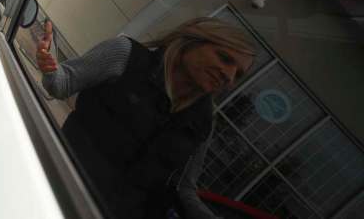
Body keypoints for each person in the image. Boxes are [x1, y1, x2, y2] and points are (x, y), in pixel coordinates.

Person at [35, 17, 256, 219]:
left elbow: (184, 188)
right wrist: (50, 69)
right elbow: (62, 85)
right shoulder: (125, 55)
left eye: (238, 74)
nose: (229, 76)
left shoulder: (204, 122)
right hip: (50, 192)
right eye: (225, 58)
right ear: (192, 41)